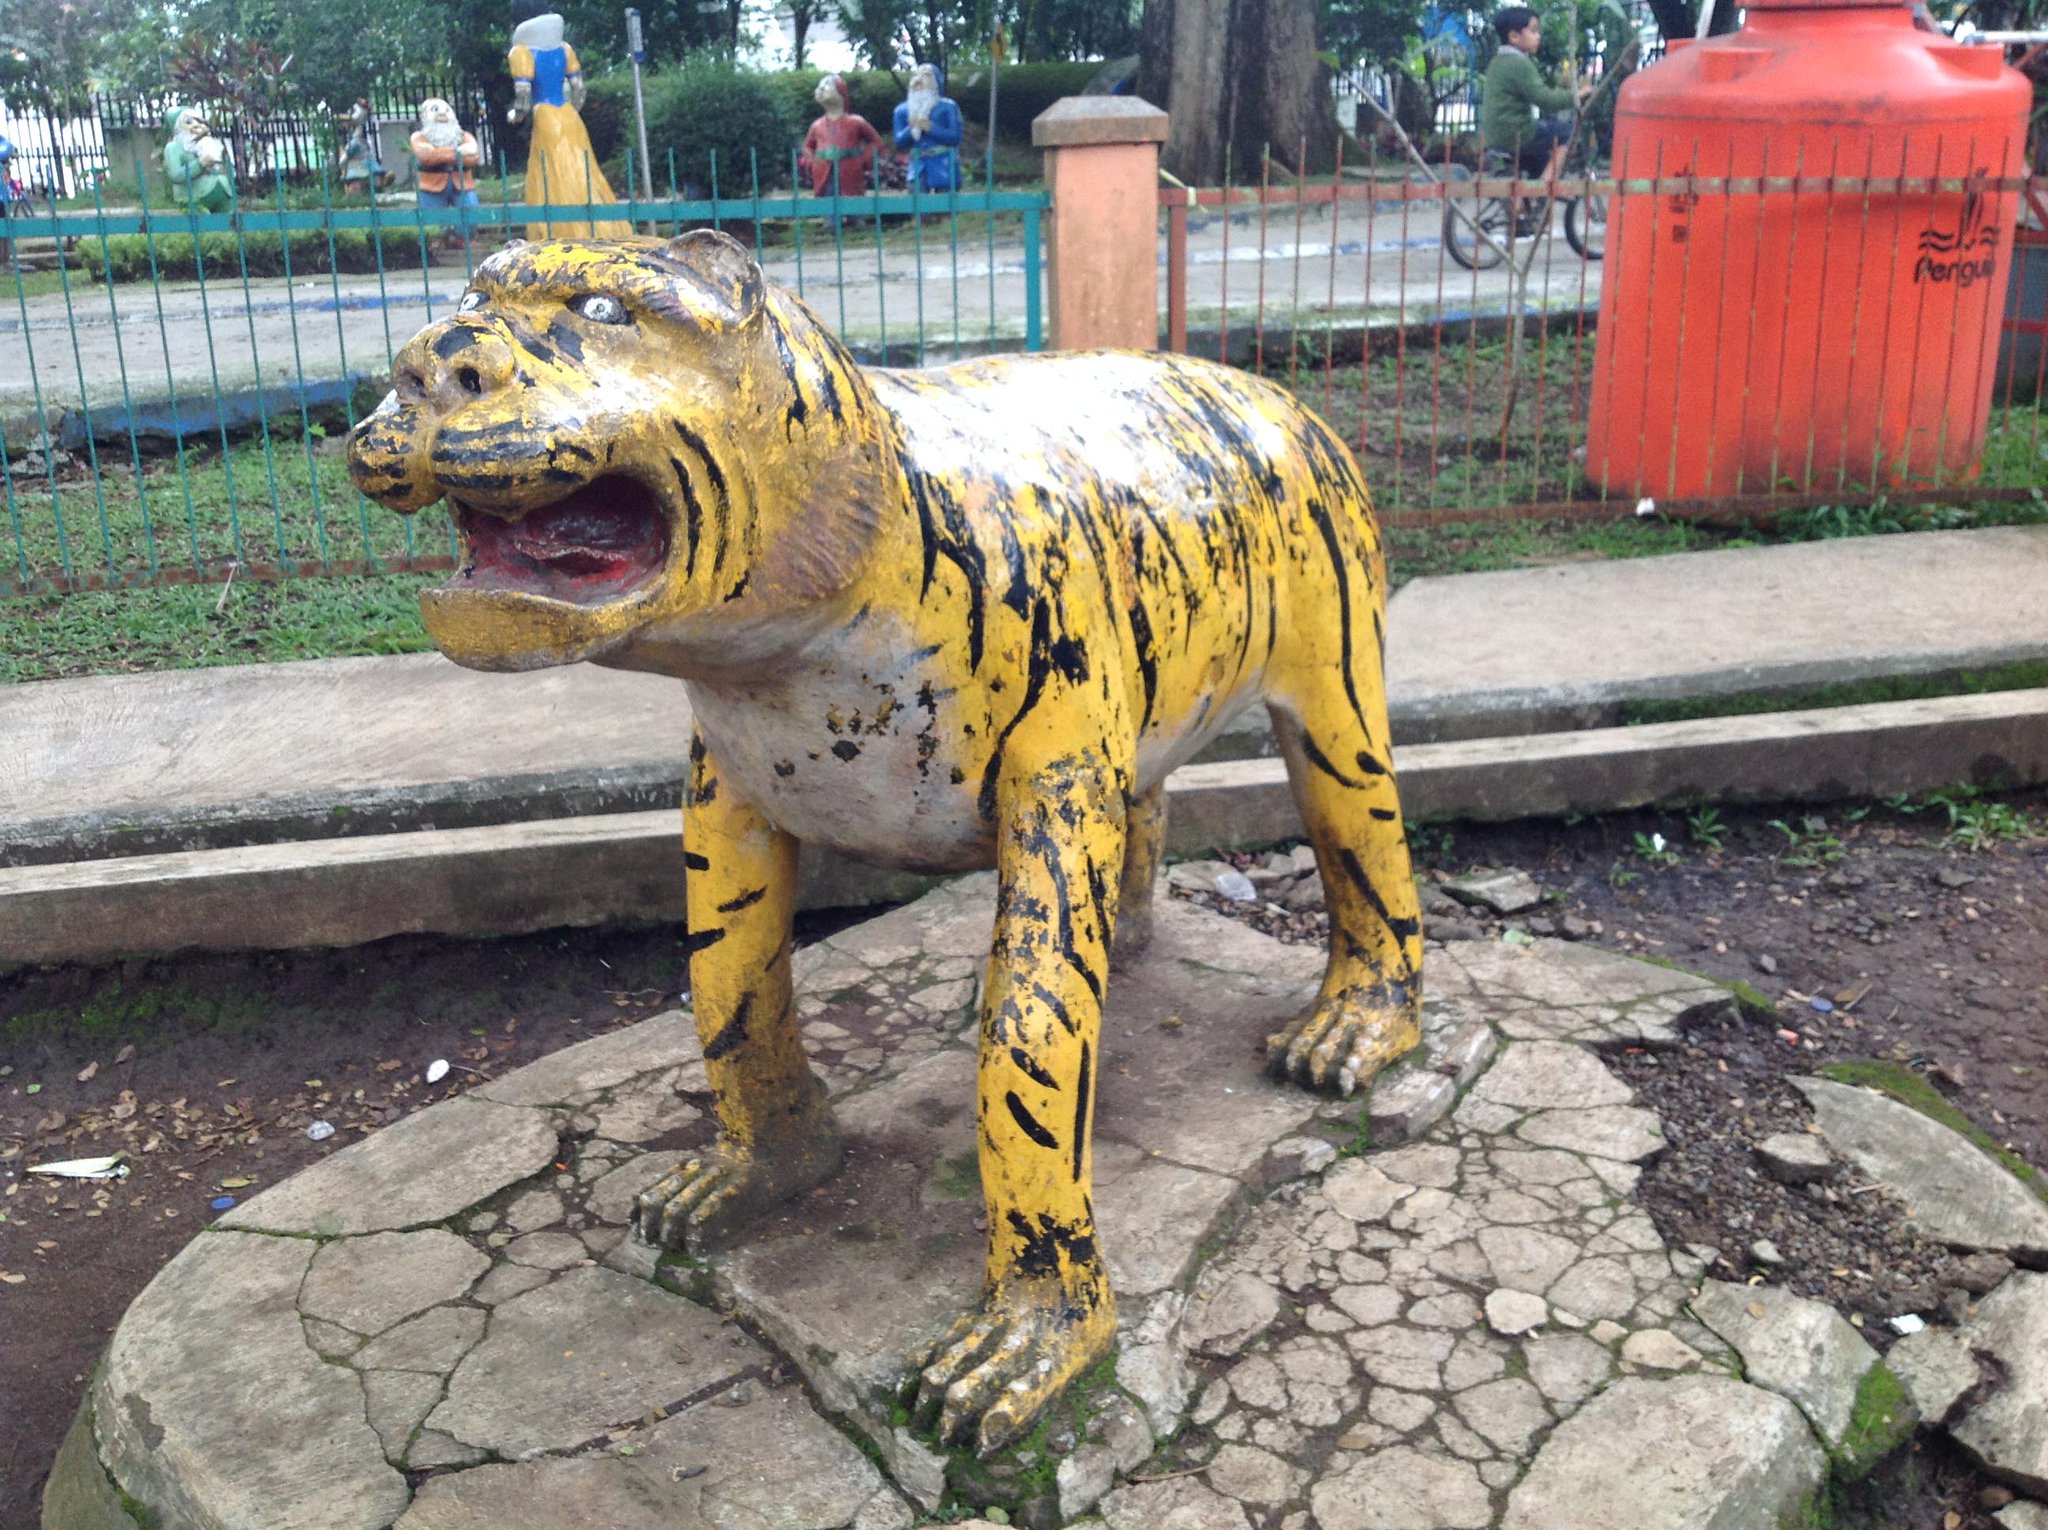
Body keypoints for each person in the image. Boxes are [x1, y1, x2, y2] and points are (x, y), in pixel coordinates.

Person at [507, 2, 629, 239]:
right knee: (581, 170)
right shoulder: (565, 49)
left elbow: (522, 97)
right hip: (569, 116)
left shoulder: (521, 51)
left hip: (545, 114)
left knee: (550, 173)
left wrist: (515, 116)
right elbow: (579, 90)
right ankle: (593, 228)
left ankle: (558, 232)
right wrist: (569, 111)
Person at [1481, 7, 1591, 181]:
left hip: (1496, 134)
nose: (1538, 36)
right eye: (1533, 31)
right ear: (1514, 37)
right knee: (1567, 132)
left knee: (1541, 159)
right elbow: (1544, 99)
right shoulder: (1518, 63)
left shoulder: (1497, 62)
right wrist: (1576, 95)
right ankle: (1544, 187)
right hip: (1516, 133)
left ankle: (1524, 201)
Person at [412, 97, 482, 255]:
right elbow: (425, 156)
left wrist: (437, 153)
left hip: (462, 182)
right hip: (431, 185)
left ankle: (464, 239)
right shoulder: (419, 137)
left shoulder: (463, 135)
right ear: (425, 116)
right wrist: (458, 153)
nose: (442, 114)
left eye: (447, 110)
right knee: (433, 217)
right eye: (435, 110)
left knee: (470, 209)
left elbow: (474, 156)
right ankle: (437, 241)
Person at [892, 62, 962, 192]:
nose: (918, 79)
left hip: (944, 166)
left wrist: (930, 127)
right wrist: (911, 128)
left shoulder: (948, 107)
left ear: (936, 82)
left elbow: (955, 137)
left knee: (945, 207)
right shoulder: (902, 111)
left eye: (926, 75)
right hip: (917, 167)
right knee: (918, 207)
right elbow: (899, 141)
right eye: (915, 75)